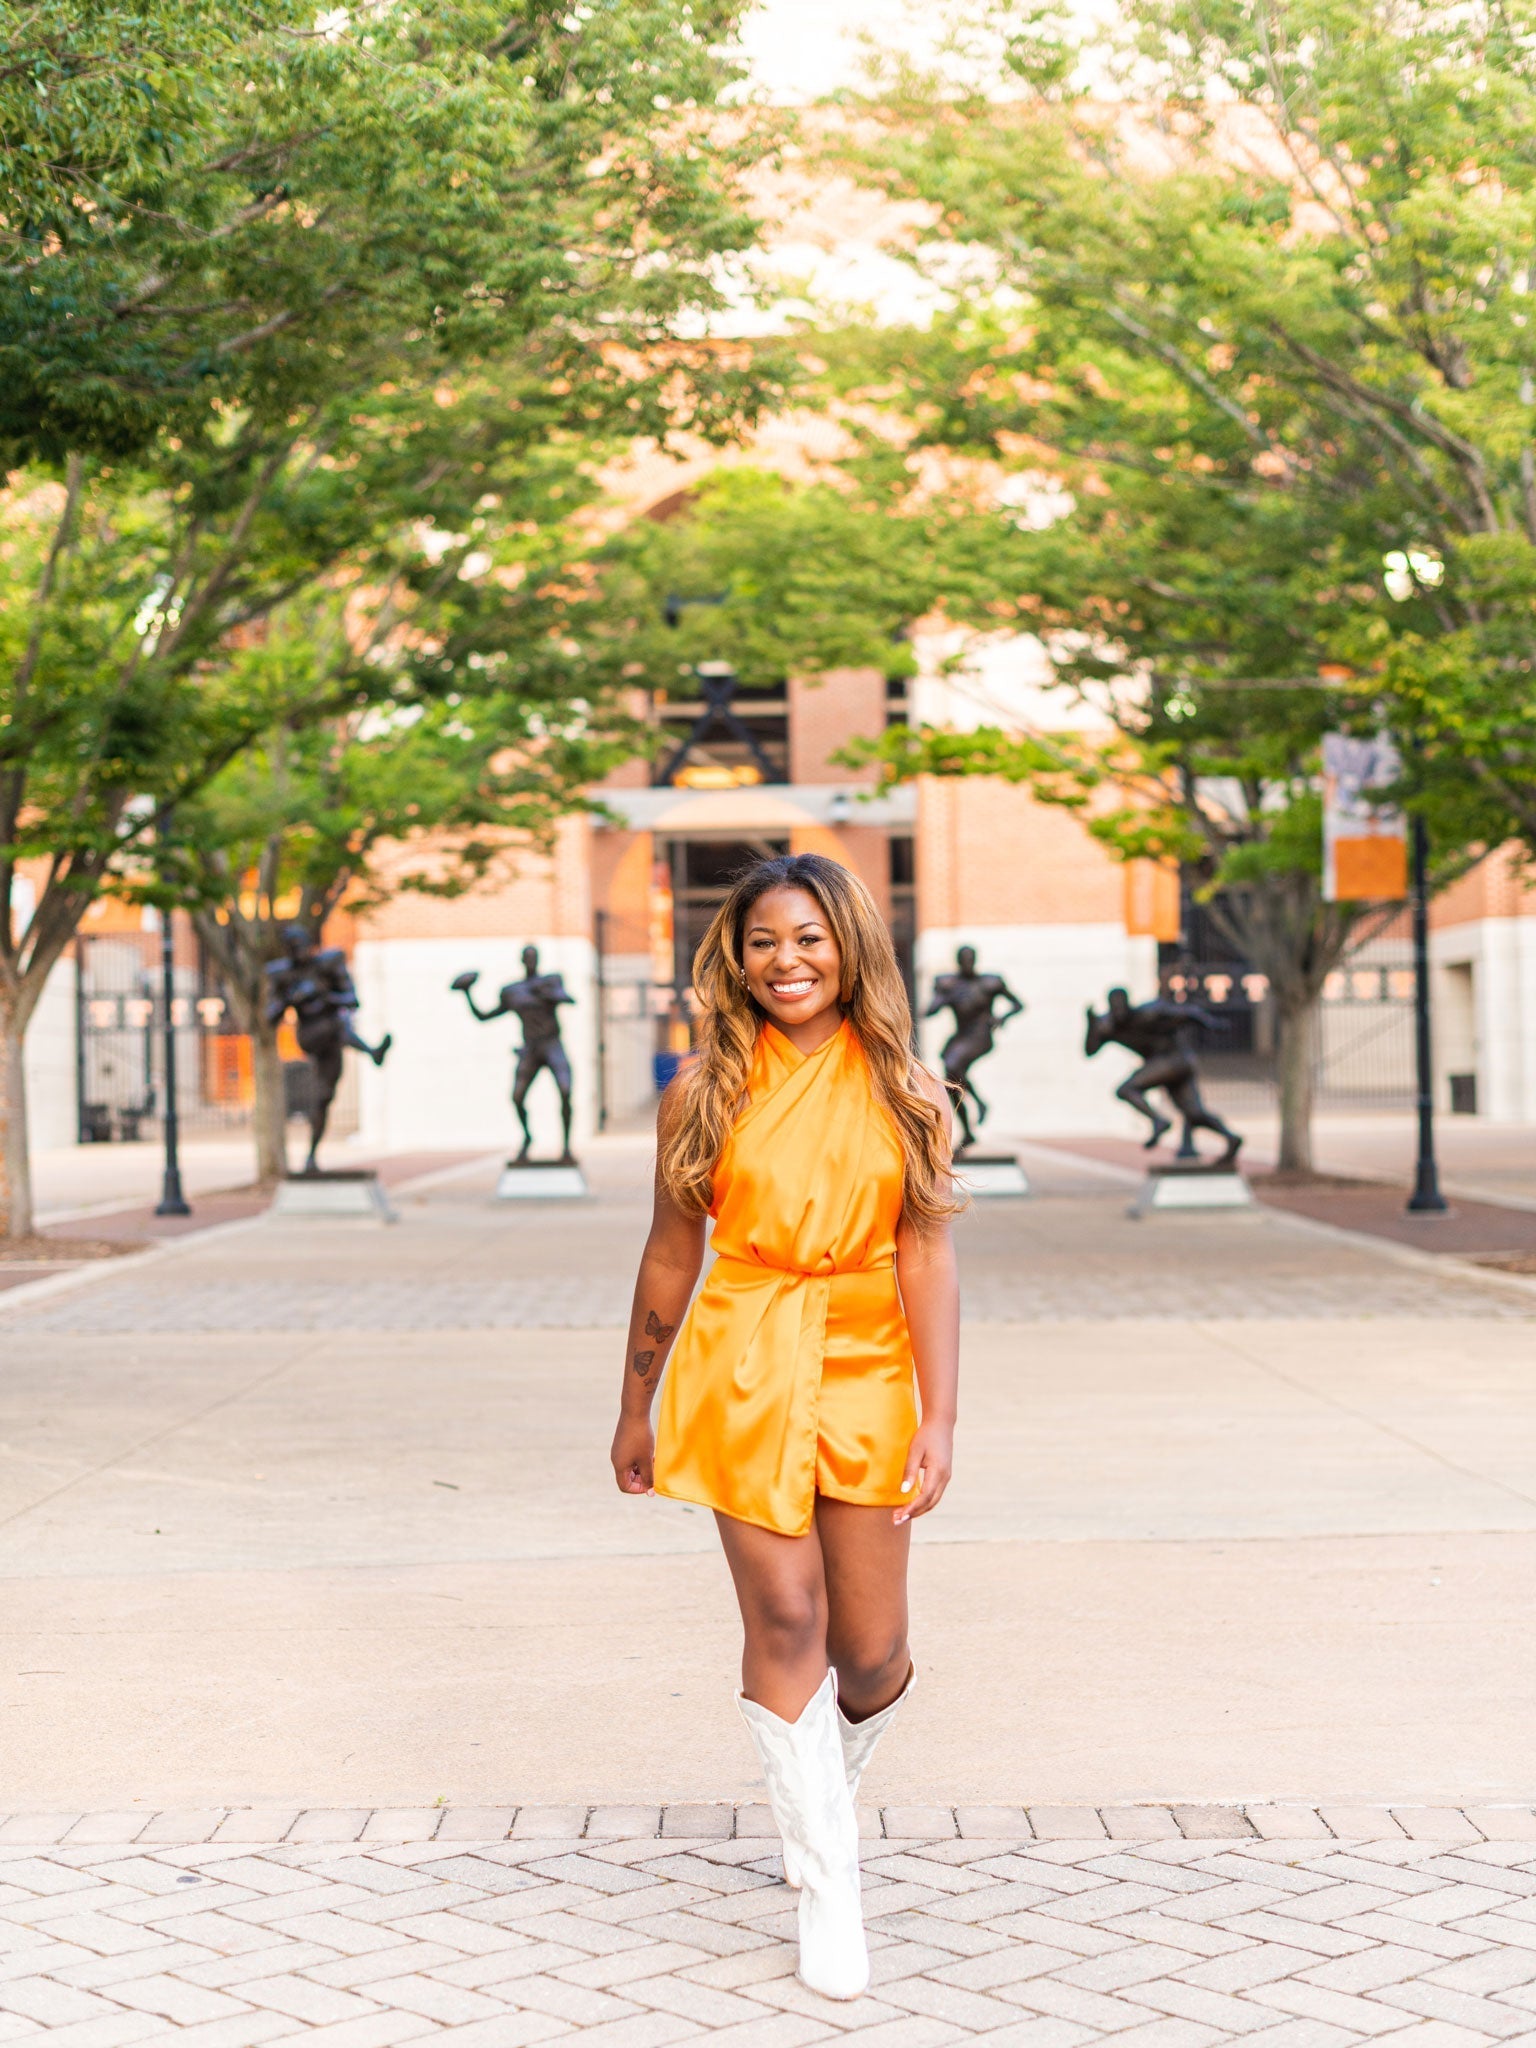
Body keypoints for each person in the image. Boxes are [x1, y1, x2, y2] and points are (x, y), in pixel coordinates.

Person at [609, 853, 960, 2002]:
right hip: (740, 1355)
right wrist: (636, 1403)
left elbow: (927, 1252)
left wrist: (942, 1415)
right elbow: (672, 1251)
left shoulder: (908, 1084)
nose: (787, 960)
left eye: (808, 937)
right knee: (787, 1611)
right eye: (764, 940)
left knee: (870, 1648)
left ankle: (824, 1793)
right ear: (736, 956)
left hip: (867, 1358)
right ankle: (826, 1881)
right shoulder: (701, 1088)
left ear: (848, 945)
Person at [264, 924, 391, 1173]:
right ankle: (372, 1051)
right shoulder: (282, 974)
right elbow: (270, 1017)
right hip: (310, 1035)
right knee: (337, 1025)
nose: (298, 953)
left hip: (333, 1041)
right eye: (292, 949)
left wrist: (324, 995)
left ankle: (311, 1155)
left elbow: (352, 1000)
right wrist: (293, 998)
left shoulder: (328, 965)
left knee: (324, 1097)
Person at [1084, 985, 1242, 1163]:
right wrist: (1091, 1026)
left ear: (1129, 1005)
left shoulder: (1149, 1013)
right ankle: (1231, 1138)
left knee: (1127, 1090)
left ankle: (1159, 1121)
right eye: (1115, 1008)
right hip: (1168, 1064)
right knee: (1194, 1114)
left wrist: (1212, 1024)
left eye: (1122, 1007)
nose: (1119, 1012)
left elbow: (1189, 1012)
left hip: (1174, 1059)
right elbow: (1090, 1051)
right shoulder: (1109, 1026)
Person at [451, 946, 576, 1162]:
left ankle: (566, 1147)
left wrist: (549, 994)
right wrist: (467, 993)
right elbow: (484, 1016)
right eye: (527, 958)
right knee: (517, 1097)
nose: (531, 962)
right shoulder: (513, 991)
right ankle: (527, 1137)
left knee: (565, 1090)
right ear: (522, 961)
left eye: (533, 958)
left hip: (552, 1044)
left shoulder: (550, 981)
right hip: (530, 1048)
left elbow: (568, 999)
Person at [924, 945, 1025, 1152]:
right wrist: (941, 998)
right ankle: (970, 1127)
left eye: (970, 959)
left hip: (981, 1036)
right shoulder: (949, 985)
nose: (967, 963)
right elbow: (930, 1011)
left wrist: (1001, 1018)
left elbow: (1018, 1004)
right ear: (958, 962)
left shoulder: (990, 983)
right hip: (961, 1036)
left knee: (953, 1066)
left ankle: (978, 1103)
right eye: (964, 959)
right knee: (951, 1080)